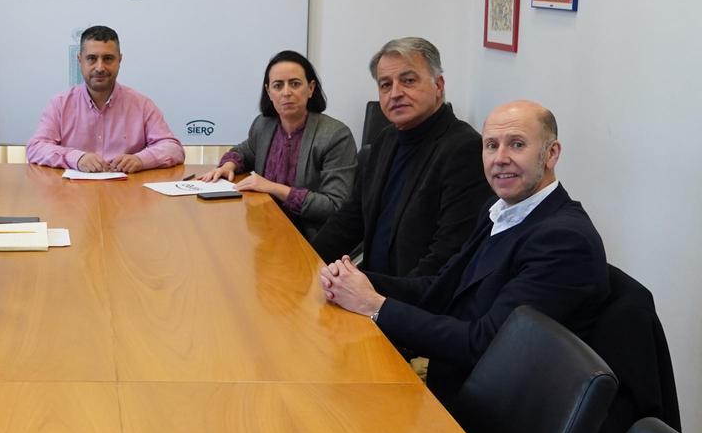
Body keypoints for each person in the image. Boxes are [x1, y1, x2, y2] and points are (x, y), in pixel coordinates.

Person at [319, 101, 608, 403]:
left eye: (517, 145)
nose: (500, 159)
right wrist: (355, 281)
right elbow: (440, 288)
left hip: (486, 409)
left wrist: (374, 305)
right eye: (491, 146)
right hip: (453, 377)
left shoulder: (563, 240)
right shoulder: (498, 210)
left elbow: (483, 345)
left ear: (551, 153)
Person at [310, 37, 493, 277]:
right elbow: (351, 219)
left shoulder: (464, 150)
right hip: (371, 287)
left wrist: (369, 293)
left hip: (410, 302)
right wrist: (305, 260)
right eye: (385, 85)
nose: (395, 93)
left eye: (408, 81)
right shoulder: (387, 139)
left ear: (438, 85)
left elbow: (445, 259)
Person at [198, 50, 357, 240]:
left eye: (295, 84)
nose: (286, 92)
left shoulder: (335, 135)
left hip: (308, 238)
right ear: (269, 92)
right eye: (278, 85)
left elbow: (335, 207)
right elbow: (245, 151)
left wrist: (273, 187)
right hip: (263, 229)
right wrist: (228, 165)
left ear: (311, 88)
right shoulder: (264, 124)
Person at [26, 25, 185, 173]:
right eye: (92, 58)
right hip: (74, 196)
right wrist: (76, 158)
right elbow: (35, 148)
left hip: (127, 195)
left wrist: (140, 160)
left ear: (120, 60)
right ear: (80, 60)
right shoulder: (60, 104)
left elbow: (173, 149)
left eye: (108, 58)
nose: (100, 67)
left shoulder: (142, 105)